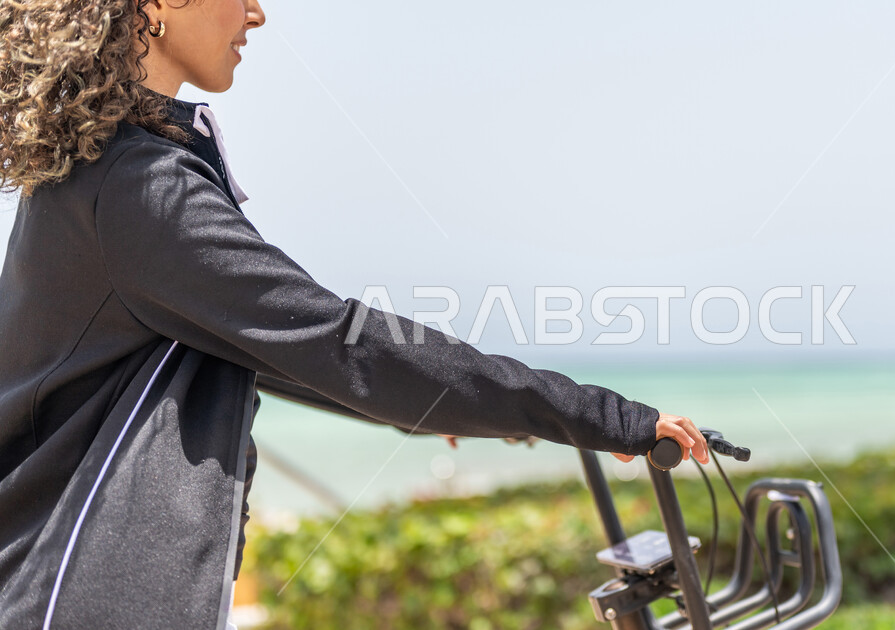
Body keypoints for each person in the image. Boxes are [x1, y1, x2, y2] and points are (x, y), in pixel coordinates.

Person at [0, 0, 709, 627]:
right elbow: (340, 342)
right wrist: (601, 416)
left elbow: (272, 348)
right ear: (157, 3)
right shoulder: (139, 184)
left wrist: (449, 409)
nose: (257, 14)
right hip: (75, 591)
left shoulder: (101, 168)